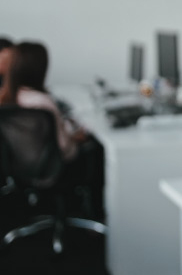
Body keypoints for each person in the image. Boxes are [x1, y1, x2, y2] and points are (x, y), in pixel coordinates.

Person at [0, 42, 105, 220]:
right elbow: (63, 147)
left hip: (21, 168)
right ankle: (95, 214)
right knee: (97, 149)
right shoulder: (43, 102)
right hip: (58, 168)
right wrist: (76, 137)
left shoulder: (7, 97)